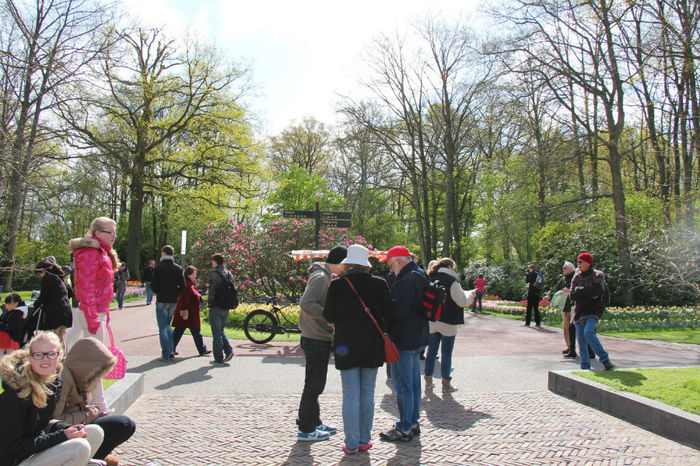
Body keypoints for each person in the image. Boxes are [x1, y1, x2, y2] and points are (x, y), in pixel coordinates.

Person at [324, 244, 394, 454]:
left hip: (346, 346)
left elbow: (328, 316)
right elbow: (389, 312)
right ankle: (365, 439)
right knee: (368, 394)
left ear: (348, 263)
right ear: (366, 264)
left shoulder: (337, 285)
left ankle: (351, 443)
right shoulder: (379, 284)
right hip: (372, 346)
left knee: (350, 395)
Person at [0, 331, 105, 466]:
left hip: (32, 451)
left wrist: (67, 429)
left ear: (60, 356)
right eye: (38, 355)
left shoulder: (54, 384)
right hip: (12, 459)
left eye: (51, 354)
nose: (45, 359)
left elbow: (42, 425)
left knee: (94, 433)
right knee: (79, 447)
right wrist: (62, 436)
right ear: (30, 358)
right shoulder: (16, 395)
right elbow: (11, 448)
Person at [53, 337, 136, 466]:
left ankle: (97, 457)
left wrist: (91, 412)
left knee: (126, 425)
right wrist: (91, 414)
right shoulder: (65, 379)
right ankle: (92, 458)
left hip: (78, 422)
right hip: (67, 430)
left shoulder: (79, 375)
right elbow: (56, 420)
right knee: (122, 424)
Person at [296, 245, 347, 441]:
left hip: (316, 336)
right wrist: (328, 318)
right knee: (314, 384)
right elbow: (307, 302)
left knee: (315, 383)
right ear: (340, 262)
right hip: (316, 337)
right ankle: (306, 428)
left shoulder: (324, 276)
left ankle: (314, 421)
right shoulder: (321, 277)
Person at [68, 216, 120, 411]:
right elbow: (86, 287)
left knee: (95, 359)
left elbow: (97, 287)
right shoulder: (91, 252)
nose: (114, 236)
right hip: (92, 312)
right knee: (97, 360)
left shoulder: (100, 252)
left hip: (96, 311)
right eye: (110, 232)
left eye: (114, 232)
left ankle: (93, 401)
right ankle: (98, 404)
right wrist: (93, 317)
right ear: (97, 233)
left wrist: (103, 312)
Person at [378, 245, 428, 442]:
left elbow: (399, 311)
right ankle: (413, 422)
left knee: (403, 385)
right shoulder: (420, 274)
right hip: (419, 336)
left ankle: (405, 426)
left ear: (399, 260)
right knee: (414, 384)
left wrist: (385, 324)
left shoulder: (405, 281)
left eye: (390, 264)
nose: (390, 268)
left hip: (405, 339)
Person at [424, 258, 474, 393]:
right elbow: (462, 301)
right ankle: (446, 383)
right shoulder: (452, 280)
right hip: (448, 320)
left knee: (431, 352)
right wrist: (471, 296)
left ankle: (428, 381)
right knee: (446, 353)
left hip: (432, 319)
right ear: (450, 267)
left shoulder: (430, 277)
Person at [571, 252, 615, 371]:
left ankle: (604, 359)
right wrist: (585, 292)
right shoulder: (577, 277)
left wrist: (580, 290)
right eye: (577, 262)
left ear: (588, 263)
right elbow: (572, 295)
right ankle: (585, 367)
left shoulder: (598, 275)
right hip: (580, 311)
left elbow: (597, 292)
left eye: (580, 262)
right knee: (581, 340)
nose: (578, 264)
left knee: (588, 331)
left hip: (594, 310)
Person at [151, 245, 186, 362]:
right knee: (168, 326)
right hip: (172, 300)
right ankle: (171, 349)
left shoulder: (158, 268)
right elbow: (183, 286)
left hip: (162, 299)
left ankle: (166, 353)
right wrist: (175, 292)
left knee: (162, 327)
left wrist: (159, 291)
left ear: (164, 254)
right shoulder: (178, 269)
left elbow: (153, 286)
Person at [33, 259, 73, 346]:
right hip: (66, 308)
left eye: (39, 273)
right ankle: (62, 356)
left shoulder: (47, 278)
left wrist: (35, 304)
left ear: (43, 270)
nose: (40, 276)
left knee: (54, 337)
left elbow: (43, 297)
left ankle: (55, 355)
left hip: (55, 310)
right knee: (61, 336)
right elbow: (71, 293)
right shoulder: (62, 277)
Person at [172, 266, 211, 357]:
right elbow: (183, 299)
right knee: (184, 332)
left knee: (180, 332)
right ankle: (201, 349)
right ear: (189, 274)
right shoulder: (186, 285)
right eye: (194, 274)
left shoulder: (189, 284)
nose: (195, 276)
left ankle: (171, 349)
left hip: (190, 314)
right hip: (188, 314)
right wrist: (184, 312)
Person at [207, 253, 235, 365]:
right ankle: (228, 351)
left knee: (216, 333)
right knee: (221, 330)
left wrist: (209, 303)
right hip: (226, 306)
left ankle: (218, 357)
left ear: (215, 261)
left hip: (216, 305)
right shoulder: (229, 273)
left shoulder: (214, 274)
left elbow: (212, 292)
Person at [556, 262, 576, 357]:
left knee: (575, 329)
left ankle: (575, 348)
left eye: (565, 268)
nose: (563, 270)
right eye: (563, 268)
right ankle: (569, 347)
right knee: (565, 329)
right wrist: (549, 295)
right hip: (565, 307)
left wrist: (570, 292)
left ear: (571, 269)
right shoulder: (562, 279)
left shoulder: (575, 277)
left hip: (573, 307)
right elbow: (557, 290)